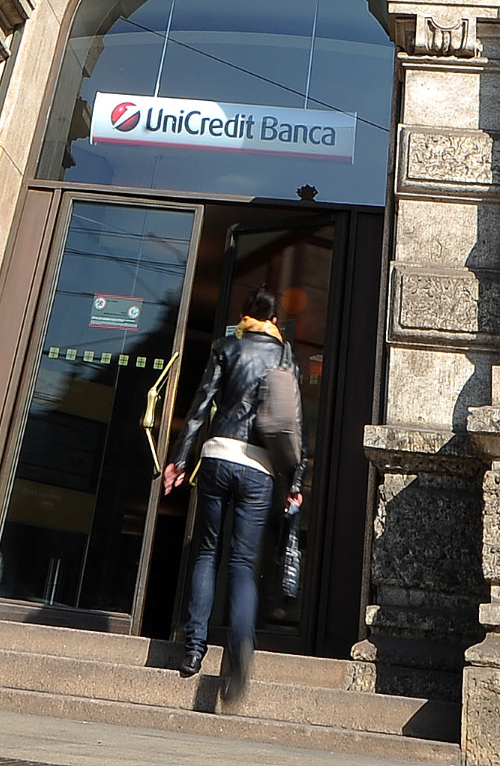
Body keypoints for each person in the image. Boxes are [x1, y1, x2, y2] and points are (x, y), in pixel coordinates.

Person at [161, 290, 308, 710]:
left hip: (218, 456)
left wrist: (178, 459)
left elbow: (199, 407)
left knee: (207, 552)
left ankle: (193, 649)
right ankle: (240, 647)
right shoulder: (284, 357)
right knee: (243, 564)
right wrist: (295, 478)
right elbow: (293, 422)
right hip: (259, 469)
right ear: (276, 318)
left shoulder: (226, 347)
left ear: (243, 317)